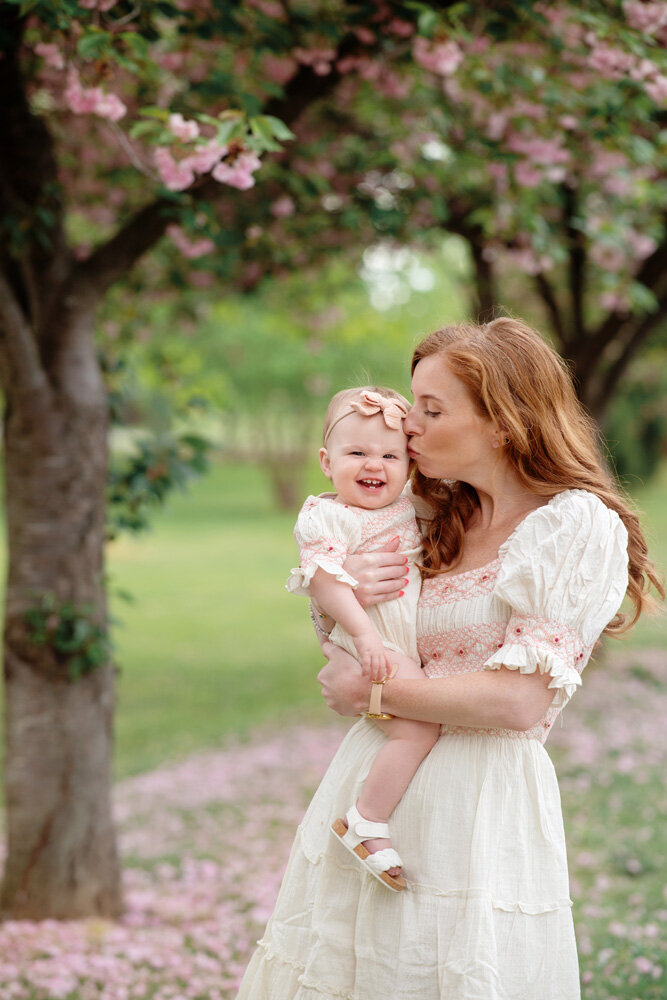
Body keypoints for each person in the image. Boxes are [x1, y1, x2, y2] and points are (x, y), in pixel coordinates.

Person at [236, 318, 663, 1000]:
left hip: (478, 808)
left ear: (501, 423)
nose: (407, 429)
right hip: (373, 791)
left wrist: (369, 695)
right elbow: (347, 613)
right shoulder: (433, 516)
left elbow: (515, 702)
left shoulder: (571, 525)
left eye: (430, 412)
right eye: (412, 408)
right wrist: (343, 595)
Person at [286, 386, 440, 891]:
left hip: (390, 640)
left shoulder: (406, 507)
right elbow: (324, 580)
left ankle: (369, 818)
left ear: (409, 465)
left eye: (389, 454)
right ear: (327, 462)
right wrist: (363, 636)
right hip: (370, 644)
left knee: (419, 723)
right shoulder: (329, 517)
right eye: (357, 453)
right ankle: (366, 820)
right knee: (418, 728)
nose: (374, 464)